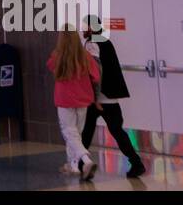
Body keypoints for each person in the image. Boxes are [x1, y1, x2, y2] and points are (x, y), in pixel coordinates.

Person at [81, 17, 145, 178]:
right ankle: (136, 163)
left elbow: (96, 71)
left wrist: (94, 97)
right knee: (117, 131)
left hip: (98, 98)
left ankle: (82, 165)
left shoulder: (91, 43)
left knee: (87, 131)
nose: (82, 29)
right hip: (111, 97)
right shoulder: (106, 41)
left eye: (84, 26)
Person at [47, 26, 100, 182]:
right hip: (83, 99)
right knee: (76, 133)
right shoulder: (86, 56)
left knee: (69, 132)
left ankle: (87, 160)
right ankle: (74, 166)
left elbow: (50, 66)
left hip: (64, 100)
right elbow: (96, 76)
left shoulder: (57, 57)